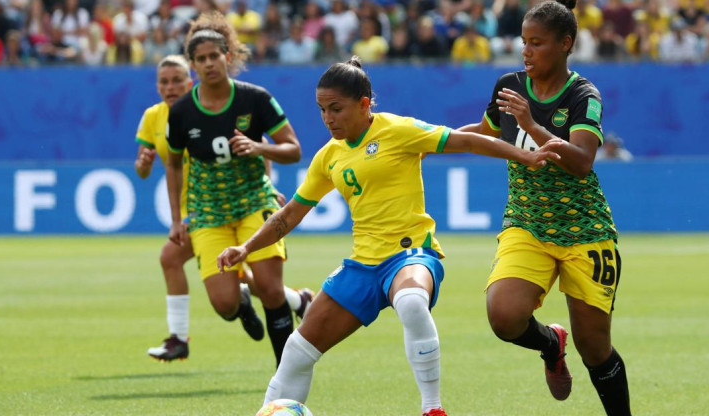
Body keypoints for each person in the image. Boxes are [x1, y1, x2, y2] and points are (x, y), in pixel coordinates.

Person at [217, 56, 562, 416]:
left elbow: (467, 142)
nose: (328, 118)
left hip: (411, 254)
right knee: (297, 351)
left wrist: (523, 155)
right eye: (322, 110)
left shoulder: (398, 130)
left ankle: (433, 409)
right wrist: (245, 247)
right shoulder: (328, 157)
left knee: (411, 302)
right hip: (363, 266)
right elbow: (288, 216)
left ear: (364, 104)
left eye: (336, 109)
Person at [459, 1, 631, 415]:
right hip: (527, 224)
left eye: (536, 43)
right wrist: (426, 139)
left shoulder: (583, 95)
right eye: (524, 42)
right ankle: (550, 344)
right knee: (504, 316)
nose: (526, 51)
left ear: (565, 44)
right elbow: (485, 135)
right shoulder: (510, 86)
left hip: (585, 230)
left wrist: (533, 125)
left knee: (594, 347)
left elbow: (582, 161)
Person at [135, 55, 314, 362]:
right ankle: (294, 300)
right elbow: (163, 166)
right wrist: (142, 166)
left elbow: (254, 146)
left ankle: (179, 337)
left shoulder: (216, 106)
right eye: (163, 81)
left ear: (190, 79)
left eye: (177, 79)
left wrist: (267, 188)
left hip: (238, 202)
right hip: (202, 211)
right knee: (225, 285)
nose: (170, 86)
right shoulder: (155, 117)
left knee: (186, 261)